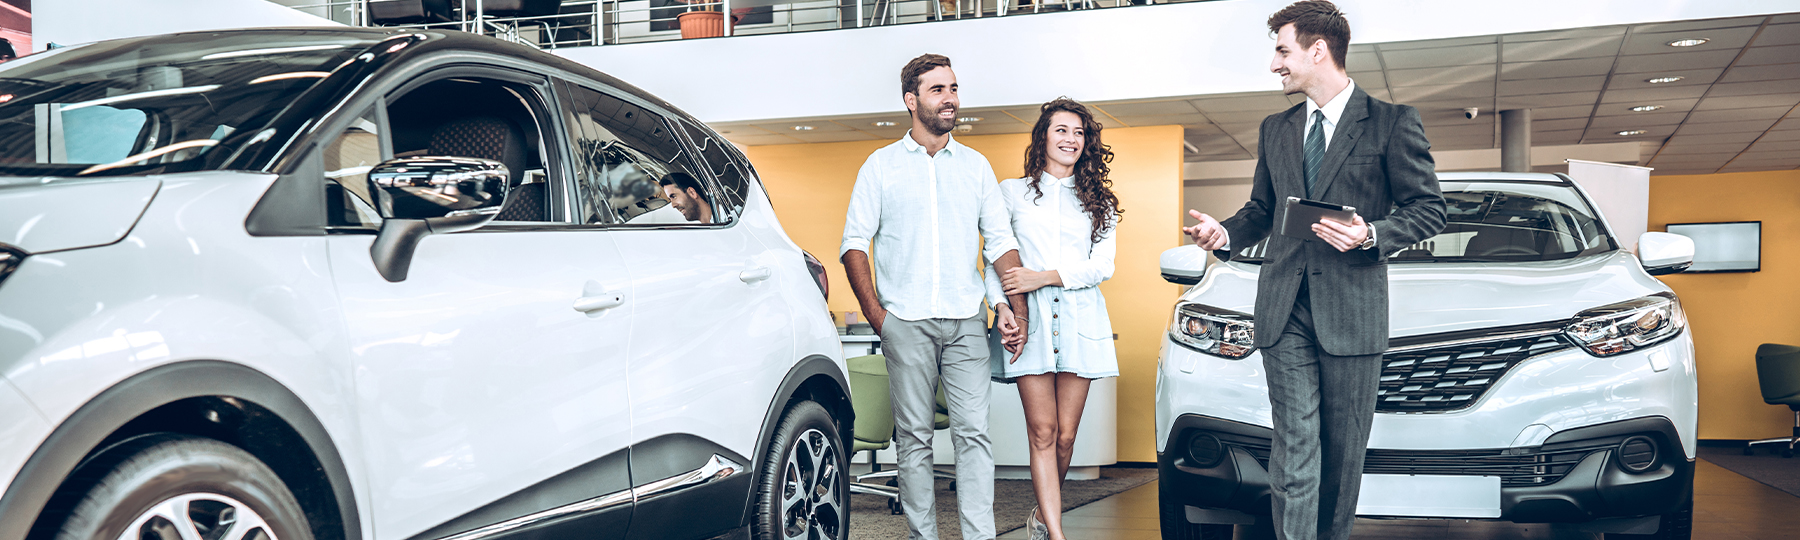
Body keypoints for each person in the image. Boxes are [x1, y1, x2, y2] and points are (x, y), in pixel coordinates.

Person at [1182, 2, 1445, 539]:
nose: (1275, 64)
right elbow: (1262, 210)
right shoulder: (1275, 129)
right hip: (1284, 309)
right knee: (1295, 446)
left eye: (1283, 51)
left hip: (1352, 311)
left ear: (1318, 50)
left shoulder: (1392, 122)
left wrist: (1371, 234)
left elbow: (1428, 209)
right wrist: (1225, 234)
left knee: (1342, 457)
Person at [840, 53, 1029, 540]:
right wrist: (879, 317)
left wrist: (1014, 308)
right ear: (911, 100)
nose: (951, 99)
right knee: (914, 439)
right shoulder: (880, 166)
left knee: (974, 435)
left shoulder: (975, 166)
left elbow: (1000, 243)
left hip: (966, 320)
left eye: (954, 88)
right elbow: (854, 244)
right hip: (905, 321)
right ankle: (922, 536)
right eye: (938, 90)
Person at [983, 98, 1121, 540]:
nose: (1071, 139)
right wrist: (1002, 306)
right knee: (1042, 431)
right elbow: (994, 260)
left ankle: (1043, 517)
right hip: (1033, 322)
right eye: (1061, 130)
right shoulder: (1011, 193)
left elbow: (1102, 266)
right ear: (1042, 137)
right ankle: (1056, 534)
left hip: (1081, 320)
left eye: (1079, 132)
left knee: (1065, 436)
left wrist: (1043, 276)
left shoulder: (1100, 202)